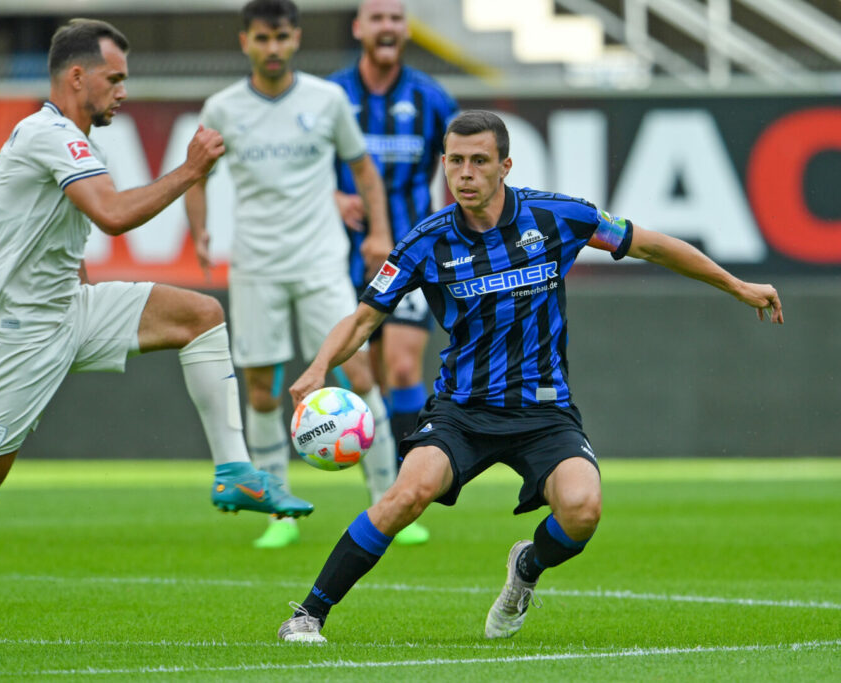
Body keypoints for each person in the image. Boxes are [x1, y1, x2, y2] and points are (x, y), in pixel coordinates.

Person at [0, 18, 314, 653]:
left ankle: (234, 470)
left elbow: (59, 229)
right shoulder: (49, 133)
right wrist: (190, 170)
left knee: (199, 315)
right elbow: (112, 215)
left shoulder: (71, 139)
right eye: (115, 79)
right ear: (77, 76)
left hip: (67, 309)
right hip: (15, 333)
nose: (123, 91)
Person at [277, 110, 784, 643]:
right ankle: (308, 614)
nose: (466, 173)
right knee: (407, 494)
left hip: (544, 410)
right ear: (443, 164)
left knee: (583, 511)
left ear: (505, 166)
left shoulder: (558, 217)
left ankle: (526, 569)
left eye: (479, 161)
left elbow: (652, 245)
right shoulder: (425, 242)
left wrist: (737, 286)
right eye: (455, 161)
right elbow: (364, 318)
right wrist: (318, 368)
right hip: (462, 410)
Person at [184, 0, 398, 550]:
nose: (273, 48)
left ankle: (390, 502)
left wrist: (378, 232)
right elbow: (197, 175)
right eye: (262, 38)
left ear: (296, 39)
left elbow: (363, 168)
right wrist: (200, 231)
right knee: (262, 389)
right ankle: (279, 514)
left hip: (321, 261)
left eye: (281, 37)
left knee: (359, 373)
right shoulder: (223, 108)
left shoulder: (327, 100)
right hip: (256, 265)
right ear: (245, 42)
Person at [327, 0, 459, 545]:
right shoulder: (332, 96)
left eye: (396, 18)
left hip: (413, 255)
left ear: (406, 30)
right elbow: (303, 169)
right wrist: (331, 195)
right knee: (367, 378)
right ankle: (383, 490)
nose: (388, 27)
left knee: (404, 367)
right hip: (339, 256)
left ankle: (405, 496)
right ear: (358, 27)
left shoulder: (432, 99)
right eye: (377, 18)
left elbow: (463, 164)